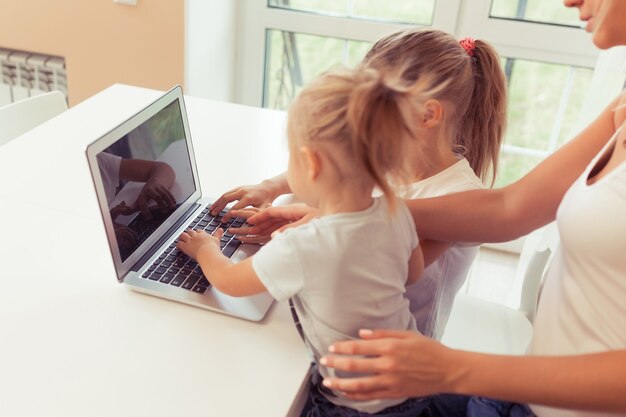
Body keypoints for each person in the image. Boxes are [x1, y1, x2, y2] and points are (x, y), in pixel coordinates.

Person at [314, 1, 626, 416]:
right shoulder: (622, 106)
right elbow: (508, 208)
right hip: (523, 399)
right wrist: (351, 214)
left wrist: (453, 369)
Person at [210, 28, 508, 340]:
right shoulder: (389, 155)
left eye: (375, 103)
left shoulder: (461, 200)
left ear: (428, 114)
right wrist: (271, 187)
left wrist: (313, 233)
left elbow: (384, 264)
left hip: (399, 357)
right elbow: (338, 163)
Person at [177, 65, 431, 416]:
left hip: (353, 404)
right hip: (413, 382)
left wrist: (206, 249)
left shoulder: (304, 245)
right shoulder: (395, 210)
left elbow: (229, 282)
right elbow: (413, 272)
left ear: (310, 163)